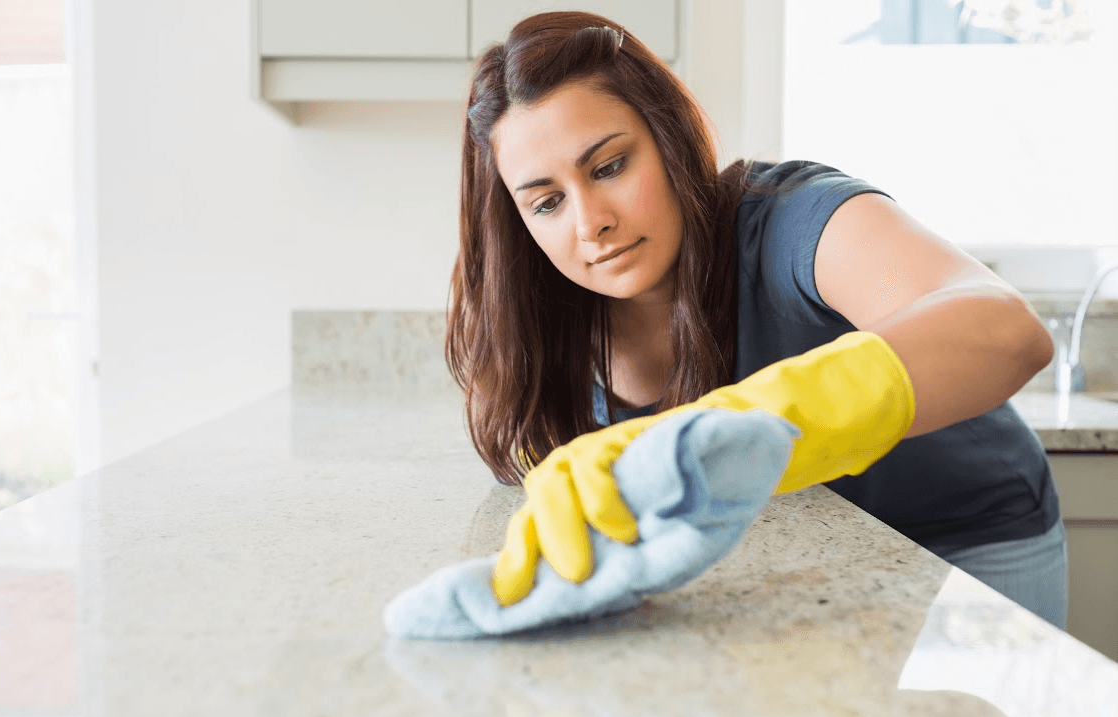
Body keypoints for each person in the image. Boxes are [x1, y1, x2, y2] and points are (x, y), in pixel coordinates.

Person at [445, 12, 1066, 628]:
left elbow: (1007, 331)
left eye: (609, 167)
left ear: (667, 140)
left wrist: (735, 426)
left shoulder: (788, 217)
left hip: (965, 547)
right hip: (800, 569)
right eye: (547, 202)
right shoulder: (540, 324)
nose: (589, 222)